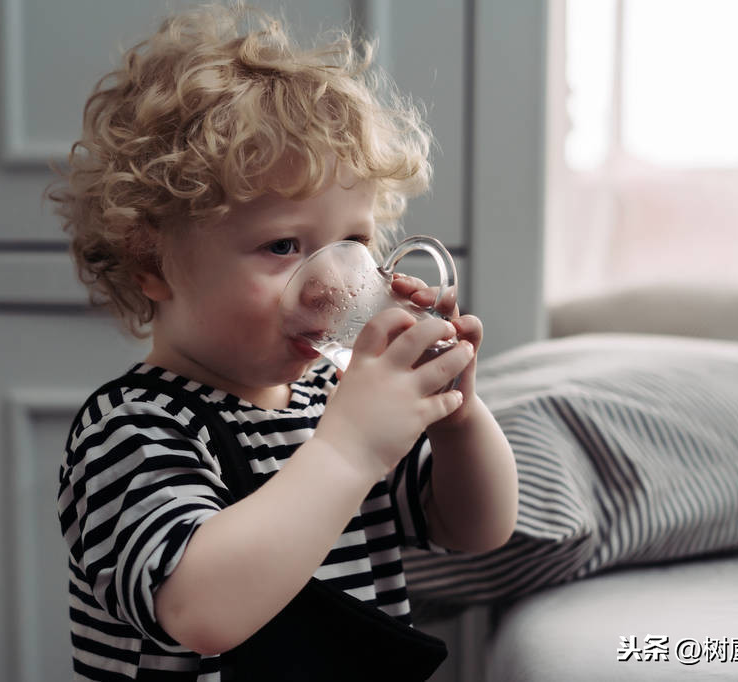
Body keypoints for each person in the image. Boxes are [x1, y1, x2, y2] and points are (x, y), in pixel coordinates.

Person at [49, 4, 517, 680]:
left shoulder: (336, 398)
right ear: (150, 262)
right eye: (281, 246)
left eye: (352, 243)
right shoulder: (131, 431)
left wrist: (457, 416)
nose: (331, 282)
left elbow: (476, 528)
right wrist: (349, 447)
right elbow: (201, 612)